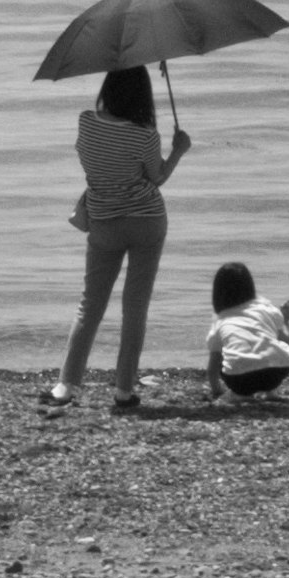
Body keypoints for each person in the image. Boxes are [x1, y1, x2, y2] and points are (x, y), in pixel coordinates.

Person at [47, 65, 191, 412]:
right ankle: (124, 391)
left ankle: (65, 387)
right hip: (147, 221)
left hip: (104, 221)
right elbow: (156, 178)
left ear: (108, 88)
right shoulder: (145, 135)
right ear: (142, 94)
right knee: (135, 308)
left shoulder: (86, 122)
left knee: (90, 305)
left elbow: (88, 161)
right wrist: (178, 151)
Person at [198, 260, 289, 402]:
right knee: (274, 344)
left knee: (223, 352)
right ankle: (270, 392)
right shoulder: (266, 309)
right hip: (277, 373)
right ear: (250, 286)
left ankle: (239, 394)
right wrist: (286, 321)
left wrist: (216, 390)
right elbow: (285, 340)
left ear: (217, 293)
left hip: (240, 380)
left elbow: (213, 367)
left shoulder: (221, 320)